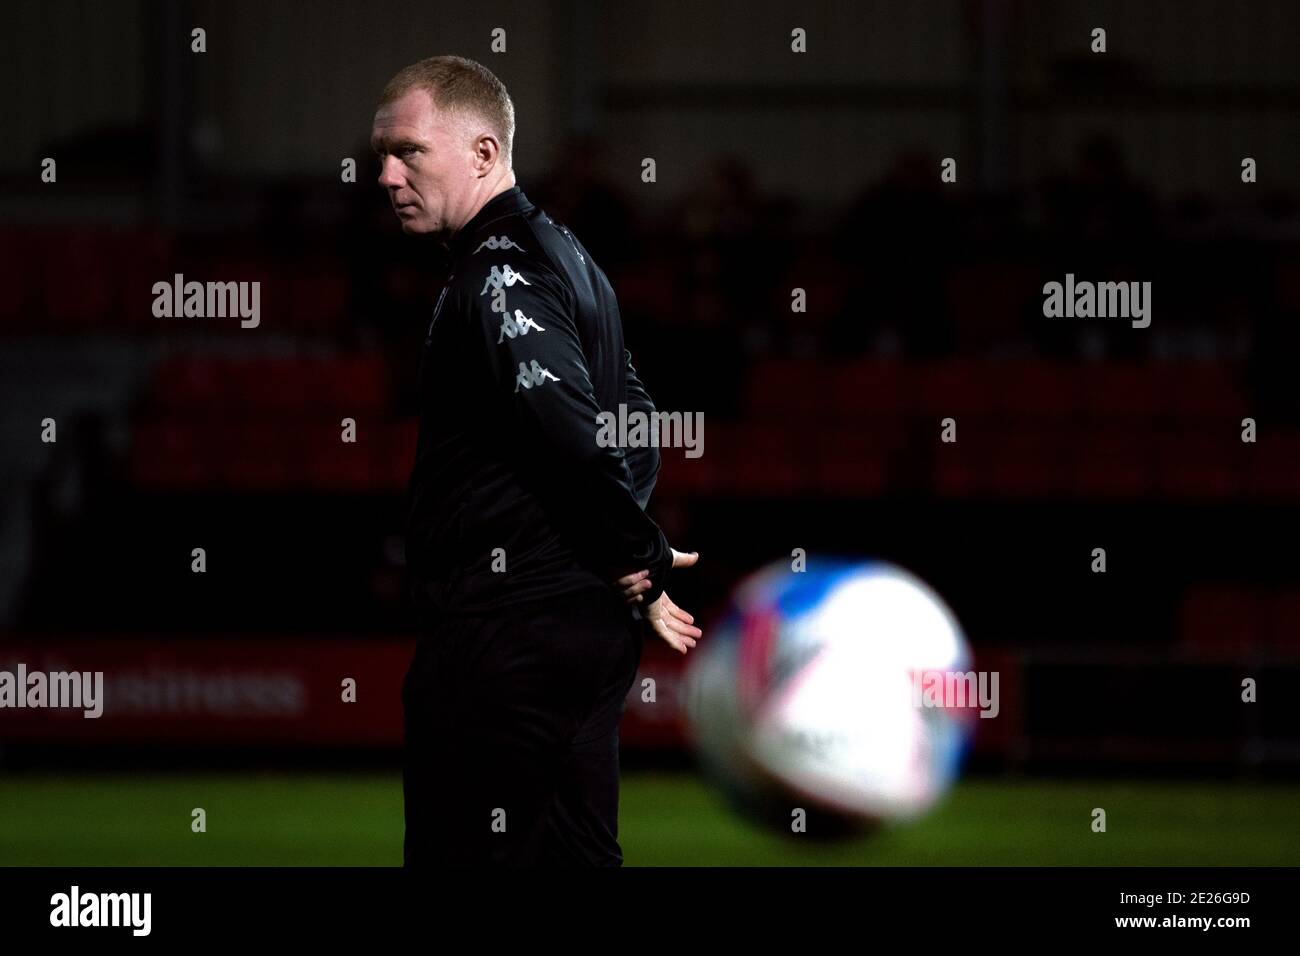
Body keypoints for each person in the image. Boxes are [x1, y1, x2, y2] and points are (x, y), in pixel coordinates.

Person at [371, 55, 701, 866]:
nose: (384, 174)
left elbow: (568, 423)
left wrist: (637, 551)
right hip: (576, 630)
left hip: (503, 637)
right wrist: (627, 564)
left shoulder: (497, 270)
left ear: (483, 152)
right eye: (381, 153)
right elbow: (637, 418)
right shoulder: (568, 254)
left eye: (408, 151)